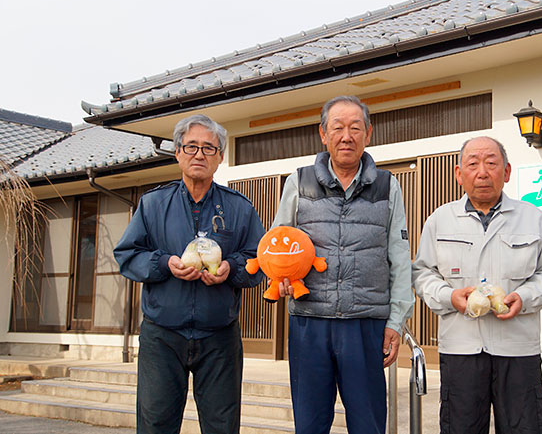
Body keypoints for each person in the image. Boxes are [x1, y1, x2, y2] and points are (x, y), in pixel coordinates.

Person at [113, 114, 265, 434]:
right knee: (156, 424)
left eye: (209, 148)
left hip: (219, 336)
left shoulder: (239, 208)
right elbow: (127, 255)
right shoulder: (153, 204)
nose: (199, 154)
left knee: (222, 426)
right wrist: (164, 264)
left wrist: (231, 269)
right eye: (191, 146)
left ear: (220, 157)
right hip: (162, 336)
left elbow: (258, 261)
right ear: (178, 153)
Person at [271, 95, 414, 434]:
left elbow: (400, 255)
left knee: (368, 423)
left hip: (365, 324)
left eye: (355, 127)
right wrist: (280, 278)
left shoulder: (386, 185)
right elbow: (277, 243)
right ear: (323, 134)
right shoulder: (299, 182)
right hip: (309, 322)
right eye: (337, 127)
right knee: (310, 423)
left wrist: (397, 320)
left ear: (369, 133)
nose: (346, 136)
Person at [412, 136, 542, 434]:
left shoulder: (532, 218)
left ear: (506, 172)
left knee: (525, 428)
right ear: (459, 174)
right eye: (472, 164)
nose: (482, 172)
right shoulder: (439, 221)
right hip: (461, 348)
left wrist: (524, 297)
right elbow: (422, 274)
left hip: (518, 349)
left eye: (491, 163)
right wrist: (449, 297)